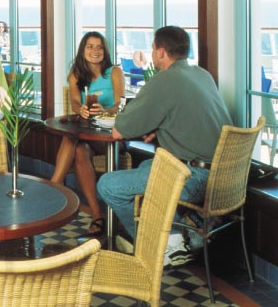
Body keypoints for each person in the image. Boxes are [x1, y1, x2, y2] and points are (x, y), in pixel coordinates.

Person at [97, 26, 231, 265]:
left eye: (152, 49)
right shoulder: (201, 74)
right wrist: (158, 127)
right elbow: (189, 117)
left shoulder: (164, 80)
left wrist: (143, 123)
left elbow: (119, 131)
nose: (151, 53)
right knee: (147, 166)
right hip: (224, 176)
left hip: (192, 178)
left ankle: (159, 248)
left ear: (160, 52)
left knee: (108, 185)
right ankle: (181, 233)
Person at [50, 32, 125, 238]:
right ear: (83, 50)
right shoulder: (76, 74)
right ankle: (97, 214)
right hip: (87, 135)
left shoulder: (114, 72)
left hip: (111, 135)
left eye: (99, 47)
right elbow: (75, 101)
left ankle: (54, 186)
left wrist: (106, 110)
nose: (95, 51)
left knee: (71, 137)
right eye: (90, 46)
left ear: (105, 51)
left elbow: (121, 103)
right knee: (80, 149)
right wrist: (80, 109)